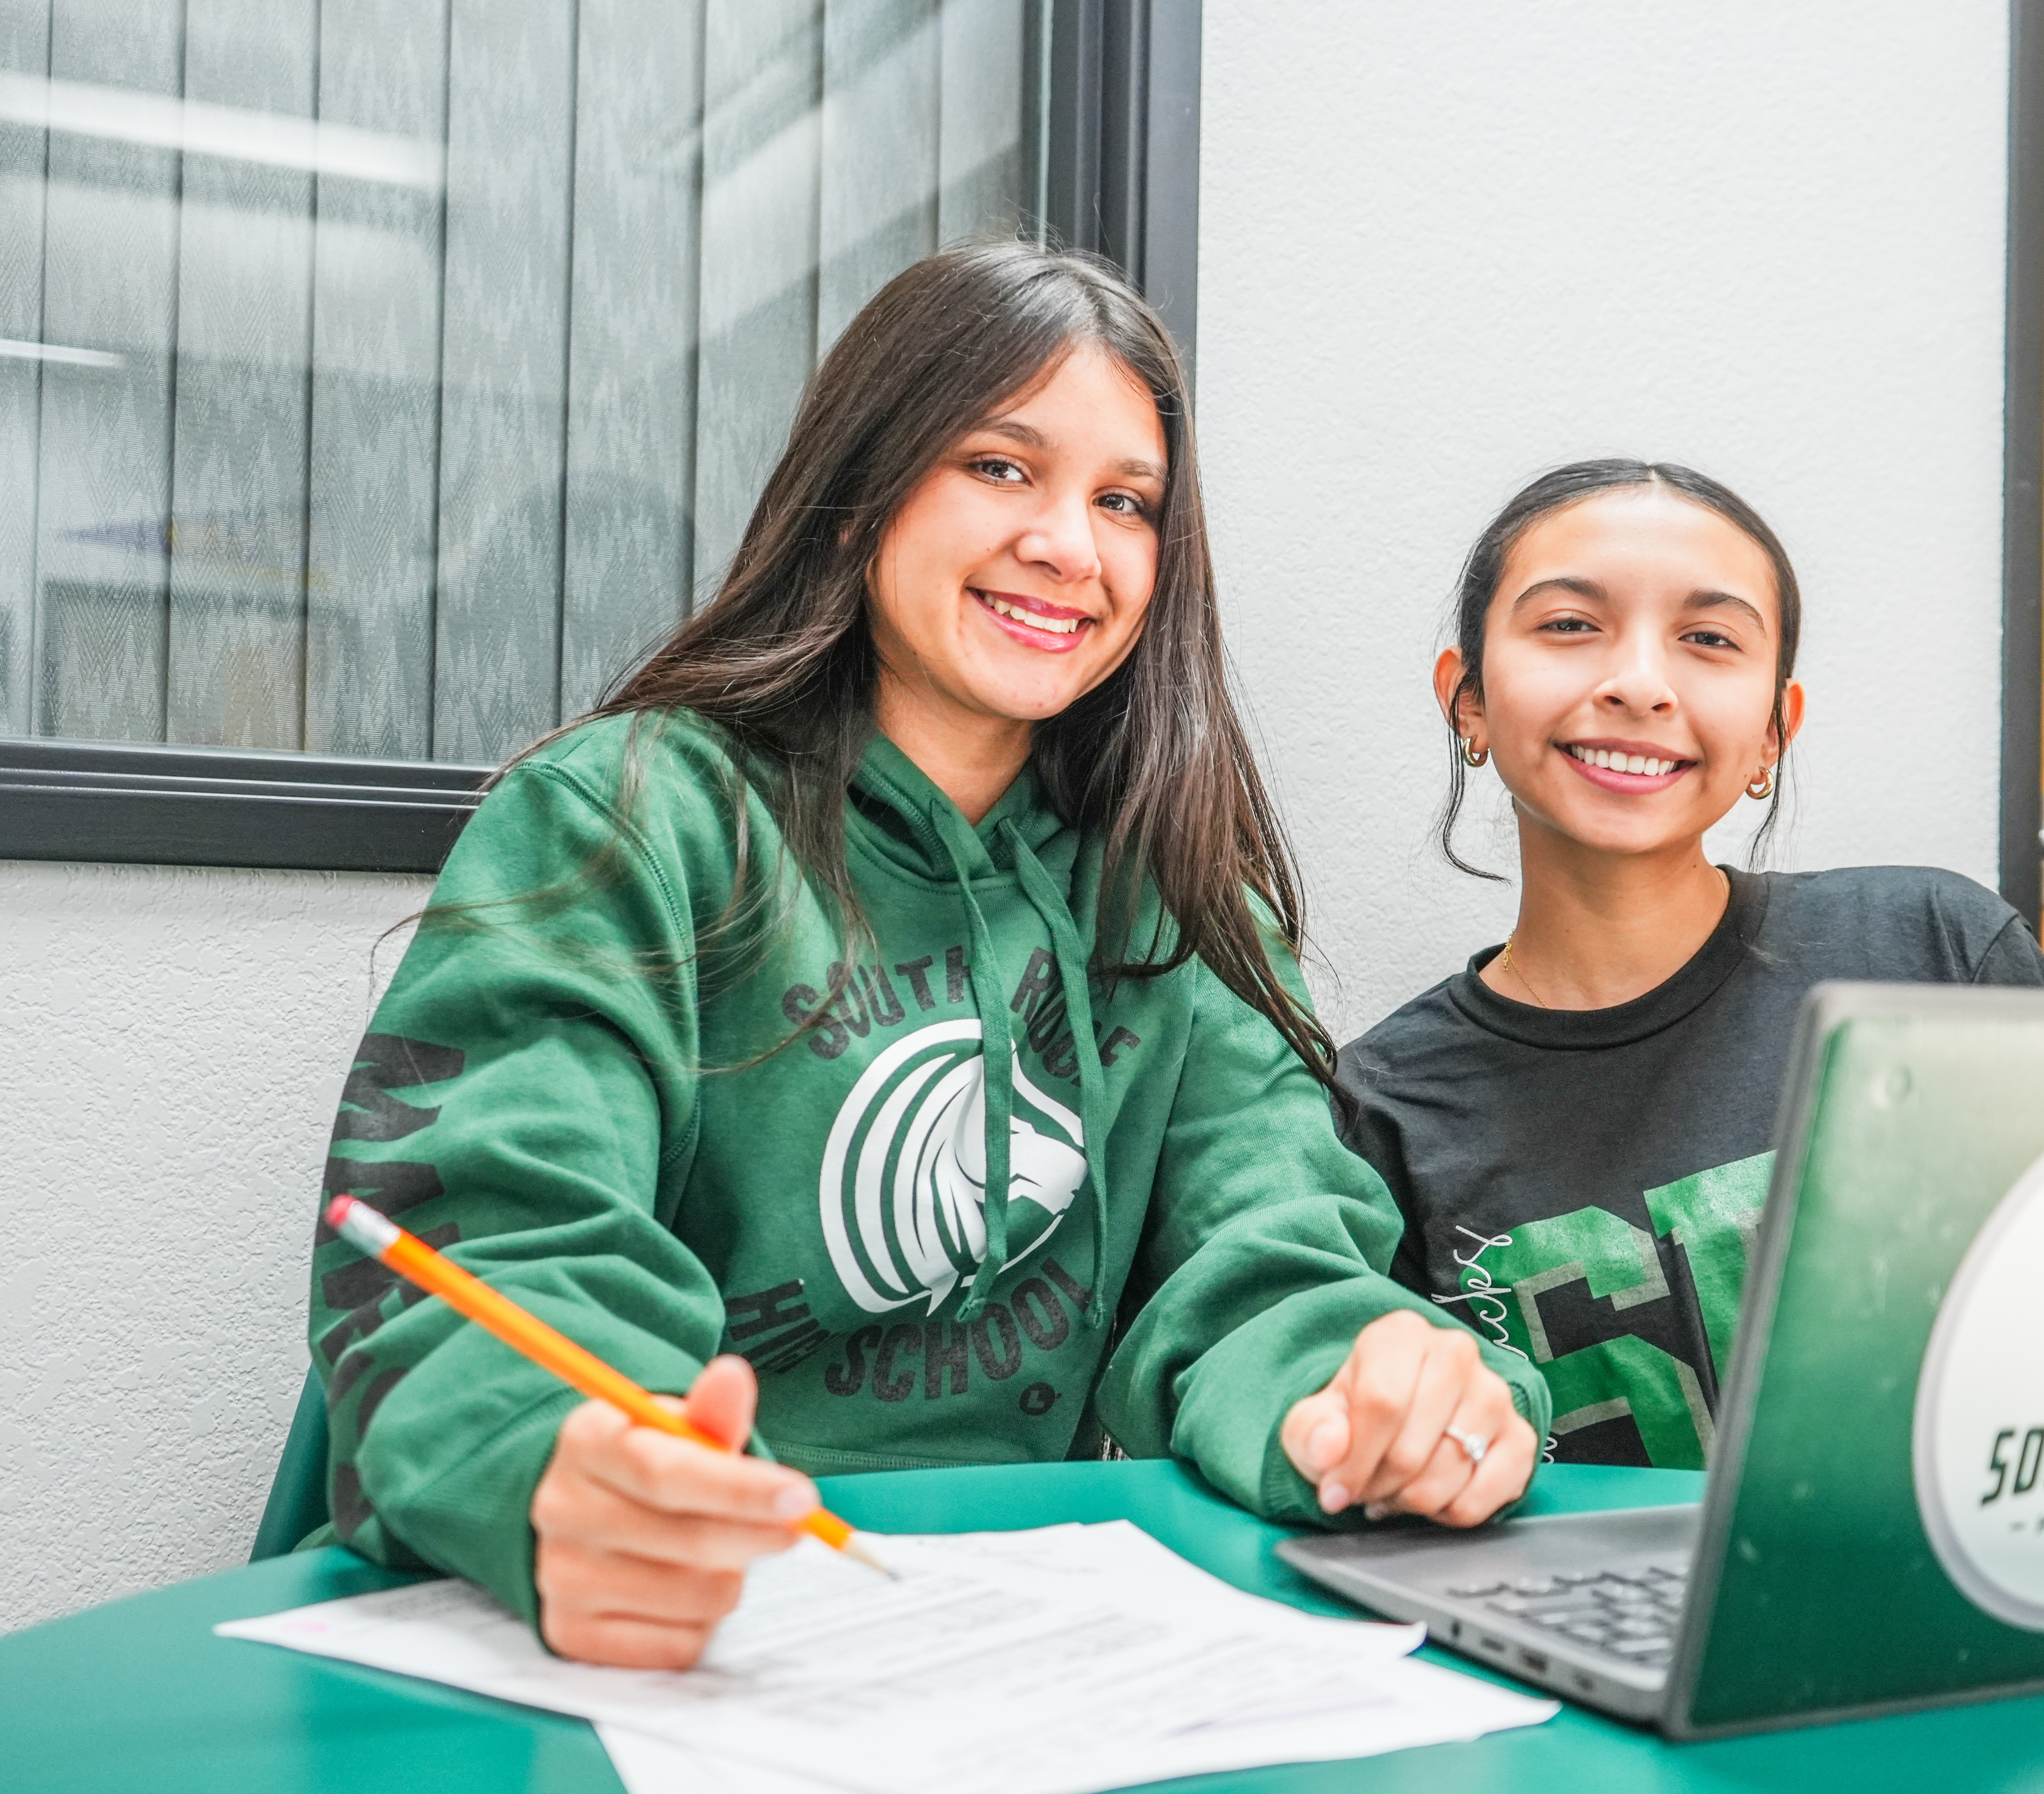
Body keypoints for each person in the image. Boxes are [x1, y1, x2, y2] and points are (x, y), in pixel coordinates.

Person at [304, 243, 1542, 1668]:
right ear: (853, 503)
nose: (1071, 546)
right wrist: (561, 1466)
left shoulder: (1171, 886)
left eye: (1125, 502)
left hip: (1009, 1643)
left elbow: (1272, 1257)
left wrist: (1360, 1394)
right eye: (1001, 468)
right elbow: (499, 1237)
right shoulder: (625, 815)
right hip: (647, 1630)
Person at [1335, 459, 2044, 1470]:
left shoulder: (1932, 954)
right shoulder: (1385, 1107)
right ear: (1466, 699)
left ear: (1772, 731)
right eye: (1569, 626)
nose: (1638, 682)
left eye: (1708, 640)